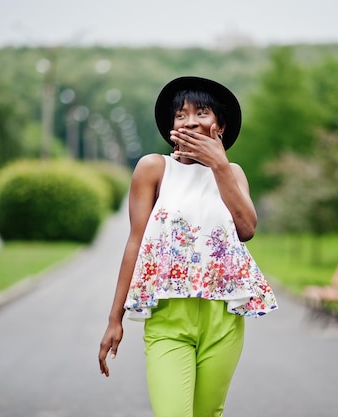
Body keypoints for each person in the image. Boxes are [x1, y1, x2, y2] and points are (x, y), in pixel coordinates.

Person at [98, 76, 278, 417]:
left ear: (220, 126)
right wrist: (114, 318)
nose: (191, 120)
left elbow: (247, 229)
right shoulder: (153, 168)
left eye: (202, 112)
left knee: (207, 414)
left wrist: (219, 164)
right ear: (171, 128)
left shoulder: (233, 173)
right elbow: (135, 242)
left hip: (222, 318)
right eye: (180, 114)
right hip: (168, 318)